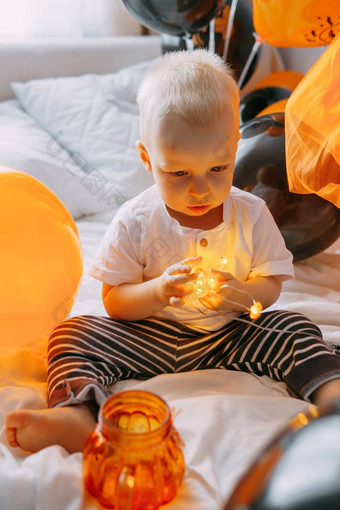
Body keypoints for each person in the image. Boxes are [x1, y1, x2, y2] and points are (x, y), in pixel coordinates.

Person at [5, 49, 340, 454]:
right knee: (72, 334)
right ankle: (76, 413)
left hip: (230, 335)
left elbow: (271, 285)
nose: (200, 188)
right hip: (149, 333)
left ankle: (330, 394)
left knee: (295, 327)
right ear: (147, 158)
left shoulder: (251, 213)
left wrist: (242, 291)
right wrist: (159, 290)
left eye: (218, 168)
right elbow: (114, 301)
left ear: (236, 145)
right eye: (179, 173)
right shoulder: (136, 219)